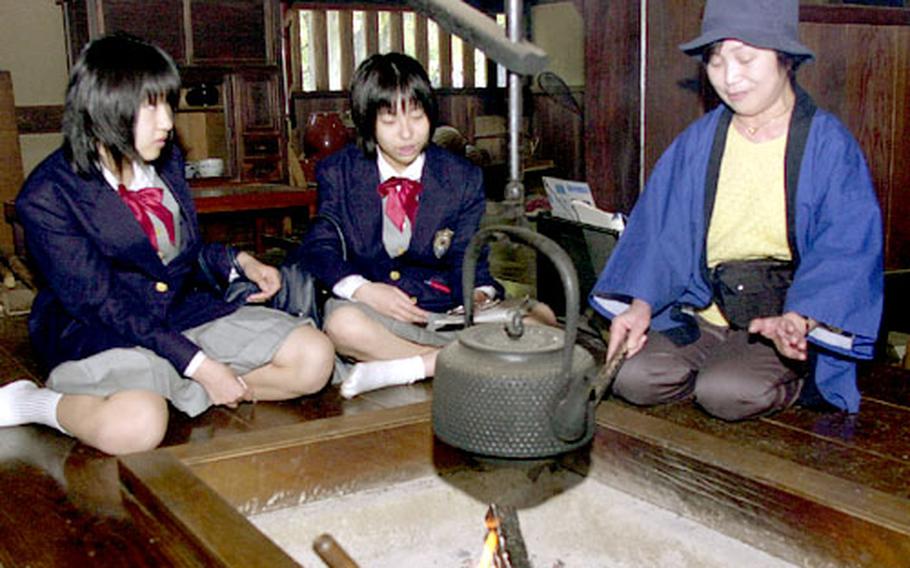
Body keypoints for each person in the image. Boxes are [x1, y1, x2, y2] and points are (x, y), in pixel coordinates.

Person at [0, 34, 334, 455]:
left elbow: (174, 257)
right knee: (136, 426)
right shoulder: (47, 196)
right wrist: (200, 363)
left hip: (179, 312)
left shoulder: (166, 159)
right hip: (103, 329)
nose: (167, 123)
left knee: (314, 359)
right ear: (104, 106)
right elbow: (100, 302)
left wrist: (238, 261)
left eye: (167, 104)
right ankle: (36, 404)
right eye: (150, 106)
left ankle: (179, 390)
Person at [590, 0, 883, 420]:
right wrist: (640, 305)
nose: (729, 78)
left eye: (745, 59)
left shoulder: (828, 147)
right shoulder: (699, 142)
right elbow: (660, 234)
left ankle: (791, 375)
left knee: (726, 393)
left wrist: (800, 319)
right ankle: (718, 360)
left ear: (786, 60)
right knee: (634, 378)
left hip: (781, 319)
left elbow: (845, 248)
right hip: (706, 307)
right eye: (715, 61)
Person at [298, 52, 554, 399]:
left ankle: (409, 368)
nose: (407, 133)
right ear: (366, 122)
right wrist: (363, 290)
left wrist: (476, 295)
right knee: (342, 326)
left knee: (542, 320)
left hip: (443, 310)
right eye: (390, 122)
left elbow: (468, 251)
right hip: (375, 311)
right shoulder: (339, 172)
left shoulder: (460, 176)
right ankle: (468, 363)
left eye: (417, 117)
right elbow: (320, 246)